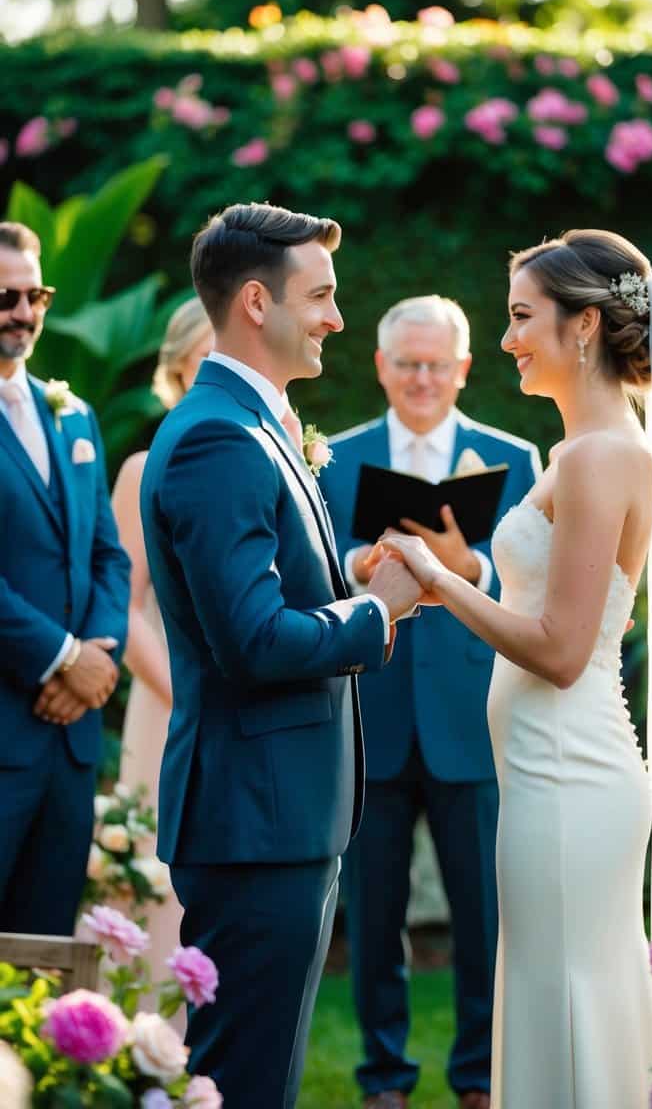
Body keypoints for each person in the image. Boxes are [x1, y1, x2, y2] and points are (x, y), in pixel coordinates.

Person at [374, 231, 652, 1107]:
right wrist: (450, 579)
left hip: (571, 773)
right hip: (544, 769)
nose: (506, 341)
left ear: (582, 327)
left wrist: (428, 578)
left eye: (519, 318)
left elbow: (561, 650)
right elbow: (542, 604)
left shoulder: (602, 454)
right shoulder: (582, 450)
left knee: (568, 985)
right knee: (547, 979)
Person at [139, 202, 422, 1109]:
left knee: (261, 1073)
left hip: (280, 815)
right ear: (257, 303)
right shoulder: (219, 436)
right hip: (252, 822)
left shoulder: (254, 420)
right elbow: (252, 639)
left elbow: (257, 589)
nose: (337, 317)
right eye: (323, 296)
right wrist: (373, 615)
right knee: (242, 1079)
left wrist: (343, 574)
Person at [320, 294, 540, 1109]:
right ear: (381, 366)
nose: (421, 378)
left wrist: (467, 567)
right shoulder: (335, 458)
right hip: (371, 712)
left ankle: (480, 1077)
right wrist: (358, 564)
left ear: (463, 368)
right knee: (374, 918)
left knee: (483, 912)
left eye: (436, 364)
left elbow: (539, 575)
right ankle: (383, 1079)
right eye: (407, 364)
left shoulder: (511, 453)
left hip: (470, 715)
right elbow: (316, 569)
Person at [0, 220, 130, 935]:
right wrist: (60, 657)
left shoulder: (72, 412)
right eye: (5, 299)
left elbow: (107, 554)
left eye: (35, 295)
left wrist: (97, 656)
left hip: (70, 740)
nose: (23, 314)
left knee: (45, 947)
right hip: (5, 725)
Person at [110, 296, 214, 1010]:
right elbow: (124, 606)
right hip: (169, 710)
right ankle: (151, 1049)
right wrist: (187, 693)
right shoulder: (143, 468)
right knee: (159, 886)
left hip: (241, 705)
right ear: (177, 370)